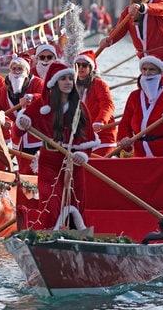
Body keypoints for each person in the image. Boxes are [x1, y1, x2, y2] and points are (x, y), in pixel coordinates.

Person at [14, 61, 100, 230]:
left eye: (70, 78)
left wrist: (83, 155)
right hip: (49, 160)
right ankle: (47, 232)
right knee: (50, 200)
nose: (68, 82)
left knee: (77, 200)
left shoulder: (80, 107)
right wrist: (22, 122)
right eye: (63, 79)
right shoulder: (41, 105)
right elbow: (18, 131)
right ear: (54, 82)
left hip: (74, 162)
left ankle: (75, 235)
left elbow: (88, 139)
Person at [73, 50, 117, 156]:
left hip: (102, 136)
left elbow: (108, 104)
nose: (80, 68)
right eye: (77, 65)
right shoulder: (70, 85)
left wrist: (100, 121)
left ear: (90, 68)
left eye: (84, 65)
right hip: (81, 139)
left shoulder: (99, 84)